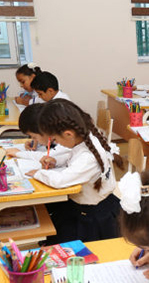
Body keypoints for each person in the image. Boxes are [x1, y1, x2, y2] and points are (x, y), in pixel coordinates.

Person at [25, 99, 122, 243]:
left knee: (75, 248)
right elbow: (73, 156)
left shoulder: (88, 158)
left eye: (55, 139)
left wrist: (38, 173)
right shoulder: (85, 138)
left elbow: (60, 181)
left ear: (68, 134)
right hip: (84, 206)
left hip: (93, 215)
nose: (56, 143)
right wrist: (56, 161)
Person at [6, 104, 71, 163]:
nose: (34, 139)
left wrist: (18, 153)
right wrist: (35, 143)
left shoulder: (66, 140)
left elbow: (47, 156)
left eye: (34, 137)